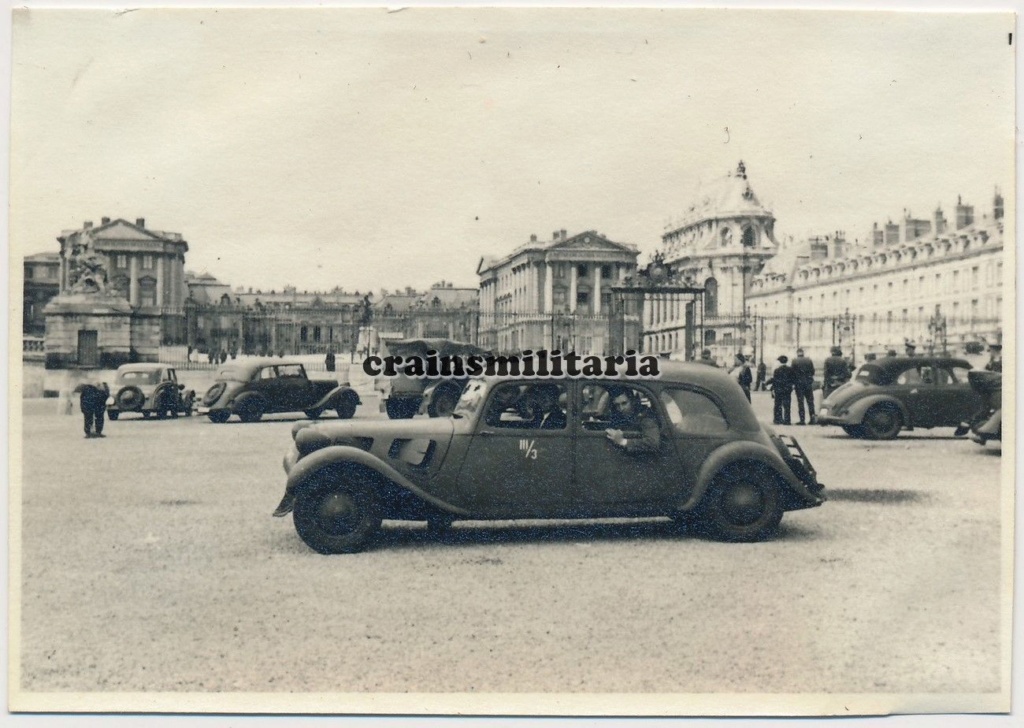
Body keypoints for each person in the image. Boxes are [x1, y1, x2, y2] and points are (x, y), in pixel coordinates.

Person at [605, 388, 660, 453]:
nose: (621, 408)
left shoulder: (645, 417)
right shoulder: (619, 416)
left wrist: (622, 441)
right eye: (617, 405)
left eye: (624, 403)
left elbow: (653, 443)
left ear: (632, 401)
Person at [790, 348, 816, 424]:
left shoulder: (794, 361)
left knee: (800, 402)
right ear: (803, 353)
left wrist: (793, 382)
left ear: (797, 353)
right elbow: (812, 371)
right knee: (810, 402)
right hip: (808, 383)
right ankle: (812, 418)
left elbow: (792, 373)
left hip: (799, 384)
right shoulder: (809, 360)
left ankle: (802, 420)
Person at [768, 355, 793, 425]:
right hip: (787, 389)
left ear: (779, 361)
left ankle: (778, 419)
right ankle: (787, 420)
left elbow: (774, 380)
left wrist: (769, 385)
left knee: (778, 404)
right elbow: (793, 379)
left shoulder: (777, 370)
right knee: (787, 405)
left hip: (779, 389)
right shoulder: (790, 369)